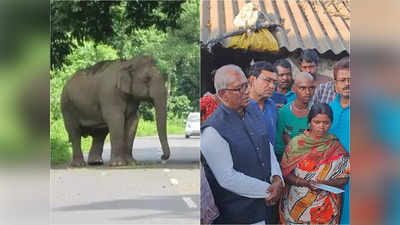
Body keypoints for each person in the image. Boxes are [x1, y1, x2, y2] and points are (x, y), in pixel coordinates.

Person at [201, 64, 284, 224]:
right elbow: (227, 177)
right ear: (223, 94)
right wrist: (268, 191)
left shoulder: (252, 108)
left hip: (266, 208)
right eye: (240, 88)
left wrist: (277, 177)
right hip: (239, 215)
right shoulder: (213, 129)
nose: (247, 91)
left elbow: (266, 145)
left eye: (247, 85)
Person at [279, 103, 350, 224]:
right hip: (296, 205)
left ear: (331, 123)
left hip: (325, 210)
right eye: (316, 122)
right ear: (309, 122)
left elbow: (344, 179)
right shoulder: (296, 144)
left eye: (326, 123)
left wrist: (323, 184)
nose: (321, 127)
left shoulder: (336, 146)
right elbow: (284, 173)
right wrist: (306, 183)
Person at [328, 57, 350, 224]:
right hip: (330, 177)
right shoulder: (327, 111)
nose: (347, 84)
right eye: (342, 80)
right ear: (335, 84)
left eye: (351, 80)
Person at [274, 72, 315, 162]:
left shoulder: (316, 113)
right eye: (302, 88)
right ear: (293, 89)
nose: (308, 92)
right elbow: (278, 147)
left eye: (311, 88)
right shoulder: (283, 112)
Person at [247, 61, 278, 146]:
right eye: (267, 80)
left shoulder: (271, 105)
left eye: (274, 82)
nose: (272, 86)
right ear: (252, 80)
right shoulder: (241, 106)